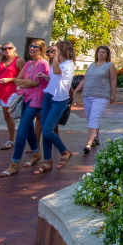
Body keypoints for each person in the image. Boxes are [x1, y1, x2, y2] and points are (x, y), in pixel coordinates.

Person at [0, 39, 50, 176]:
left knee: (22, 128)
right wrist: (26, 83)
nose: (31, 48)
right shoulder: (28, 63)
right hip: (23, 97)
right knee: (27, 127)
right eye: (30, 46)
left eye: (35, 47)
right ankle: (36, 153)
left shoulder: (44, 64)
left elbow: (35, 83)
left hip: (36, 99)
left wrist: (27, 83)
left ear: (41, 49)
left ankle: (14, 163)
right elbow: (17, 80)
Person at [34, 40, 75, 174]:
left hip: (59, 100)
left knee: (47, 130)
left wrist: (56, 57)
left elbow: (58, 72)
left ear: (63, 50)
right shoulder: (55, 64)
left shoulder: (68, 64)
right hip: (49, 97)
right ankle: (47, 162)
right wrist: (46, 77)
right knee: (46, 132)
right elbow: (55, 79)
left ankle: (65, 151)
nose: (51, 53)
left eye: (55, 50)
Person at [72, 45, 116, 154]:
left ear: (107, 55)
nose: (101, 54)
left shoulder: (110, 66)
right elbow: (84, 80)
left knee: (94, 117)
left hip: (101, 96)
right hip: (88, 95)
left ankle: (88, 143)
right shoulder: (91, 65)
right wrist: (75, 91)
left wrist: (113, 94)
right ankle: (96, 138)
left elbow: (113, 81)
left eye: (103, 52)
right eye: (99, 52)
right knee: (90, 118)